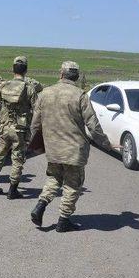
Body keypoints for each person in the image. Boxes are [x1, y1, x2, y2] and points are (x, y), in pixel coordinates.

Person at [29, 61, 114, 232]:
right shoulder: (80, 95)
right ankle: (63, 221)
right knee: (72, 185)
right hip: (74, 150)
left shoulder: (45, 93)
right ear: (75, 77)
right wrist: (106, 144)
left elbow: (35, 124)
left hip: (53, 149)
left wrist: (35, 143)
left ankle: (40, 205)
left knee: (53, 179)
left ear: (61, 74)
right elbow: (93, 126)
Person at [0, 56, 38, 199]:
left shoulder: (3, 86)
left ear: (12, 69)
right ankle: (13, 190)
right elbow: (38, 110)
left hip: (4, 127)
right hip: (20, 130)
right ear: (25, 70)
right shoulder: (29, 88)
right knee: (18, 158)